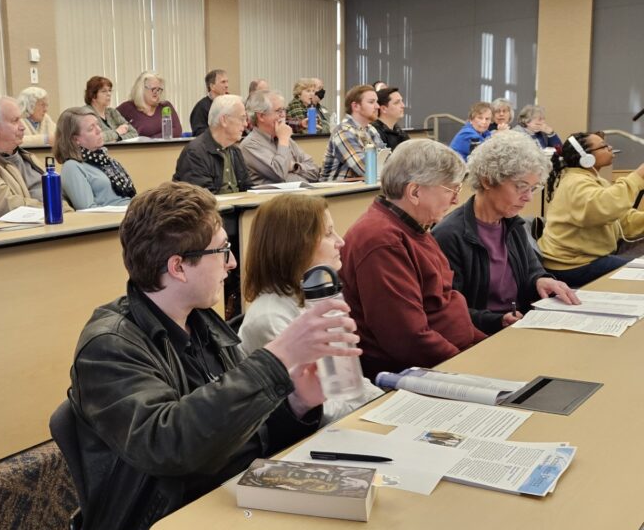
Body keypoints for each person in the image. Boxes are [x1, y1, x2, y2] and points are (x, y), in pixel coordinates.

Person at [66, 180, 361, 530]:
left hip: (219, 503)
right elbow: (170, 446)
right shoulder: (109, 346)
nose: (232, 263)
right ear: (178, 267)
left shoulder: (204, 323)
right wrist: (276, 359)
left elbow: (242, 436)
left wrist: (298, 404)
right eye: (222, 250)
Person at [339, 139, 485, 378]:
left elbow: (447, 303)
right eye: (452, 190)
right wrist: (466, 367)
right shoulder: (382, 240)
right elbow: (408, 339)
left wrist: (486, 346)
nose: (456, 200)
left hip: (451, 357)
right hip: (419, 374)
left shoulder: (413, 228)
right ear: (415, 192)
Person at [240, 194, 383, 424]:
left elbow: (350, 377)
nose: (341, 241)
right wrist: (375, 412)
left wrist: (384, 404)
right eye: (328, 233)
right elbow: (318, 409)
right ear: (296, 244)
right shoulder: (269, 319)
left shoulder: (311, 299)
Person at [433, 131, 579, 334]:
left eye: (533, 188)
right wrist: (495, 321)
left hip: (518, 325)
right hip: (481, 336)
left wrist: (540, 279)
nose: (528, 197)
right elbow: (446, 310)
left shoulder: (513, 225)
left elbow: (531, 271)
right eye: (521, 187)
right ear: (487, 180)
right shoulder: (449, 235)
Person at [538, 131, 644, 287]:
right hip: (571, 264)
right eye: (603, 146)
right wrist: (638, 176)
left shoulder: (592, 180)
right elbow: (606, 207)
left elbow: (622, 221)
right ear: (587, 158)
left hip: (586, 259)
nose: (610, 147)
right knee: (637, 276)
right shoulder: (575, 183)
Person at [0, 96, 72, 219]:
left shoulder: (29, 158)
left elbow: (60, 197)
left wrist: (66, 212)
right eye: (15, 121)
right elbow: (6, 208)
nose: (22, 127)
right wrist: (53, 208)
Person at [53, 107, 135, 209]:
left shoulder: (105, 160)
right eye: (91, 128)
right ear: (75, 139)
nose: (99, 130)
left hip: (131, 213)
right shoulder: (72, 167)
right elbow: (88, 210)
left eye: (98, 124)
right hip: (114, 220)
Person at [173, 94, 253, 194]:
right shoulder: (195, 153)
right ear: (224, 120)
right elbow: (204, 199)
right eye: (242, 118)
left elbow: (248, 189)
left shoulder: (235, 151)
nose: (245, 124)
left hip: (237, 208)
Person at [240, 90, 319, 184]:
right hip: (275, 198)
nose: (283, 115)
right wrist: (283, 140)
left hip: (302, 195)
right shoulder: (250, 145)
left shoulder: (285, 138)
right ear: (261, 116)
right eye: (278, 111)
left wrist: (294, 167)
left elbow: (315, 172)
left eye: (283, 110)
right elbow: (279, 173)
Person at [320, 84, 387, 181]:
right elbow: (367, 169)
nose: (377, 106)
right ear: (355, 106)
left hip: (362, 188)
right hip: (336, 192)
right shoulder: (343, 131)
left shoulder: (370, 129)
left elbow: (387, 160)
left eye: (377, 102)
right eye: (371, 102)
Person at [116, 71, 183, 139]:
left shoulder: (165, 106)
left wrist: (152, 140)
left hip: (165, 148)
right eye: (153, 89)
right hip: (138, 149)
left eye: (159, 89)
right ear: (141, 89)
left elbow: (177, 130)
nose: (156, 92)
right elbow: (109, 126)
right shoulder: (127, 107)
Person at [84, 75, 137, 143]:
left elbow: (134, 133)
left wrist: (118, 139)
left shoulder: (112, 112)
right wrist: (117, 132)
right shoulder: (85, 114)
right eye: (104, 91)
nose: (109, 94)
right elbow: (93, 138)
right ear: (93, 95)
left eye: (109, 90)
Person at [189, 69, 229, 137]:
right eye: (223, 82)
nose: (227, 85)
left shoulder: (230, 104)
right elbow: (199, 132)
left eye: (227, 82)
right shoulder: (201, 107)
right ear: (212, 86)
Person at [372, 86, 410, 151]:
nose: (403, 105)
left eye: (401, 101)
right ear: (384, 109)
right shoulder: (375, 132)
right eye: (397, 103)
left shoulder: (400, 132)